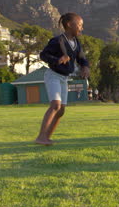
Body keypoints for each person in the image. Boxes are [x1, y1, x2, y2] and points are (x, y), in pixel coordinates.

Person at [35, 13, 90, 145]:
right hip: (53, 75)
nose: (82, 28)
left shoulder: (76, 43)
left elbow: (82, 58)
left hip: (64, 78)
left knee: (61, 110)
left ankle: (47, 137)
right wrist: (58, 60)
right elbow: (43, 55)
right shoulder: (57, 41)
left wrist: (85, 66)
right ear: (70, 25)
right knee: (55, 105)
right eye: (80, 25)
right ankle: (41, 137)